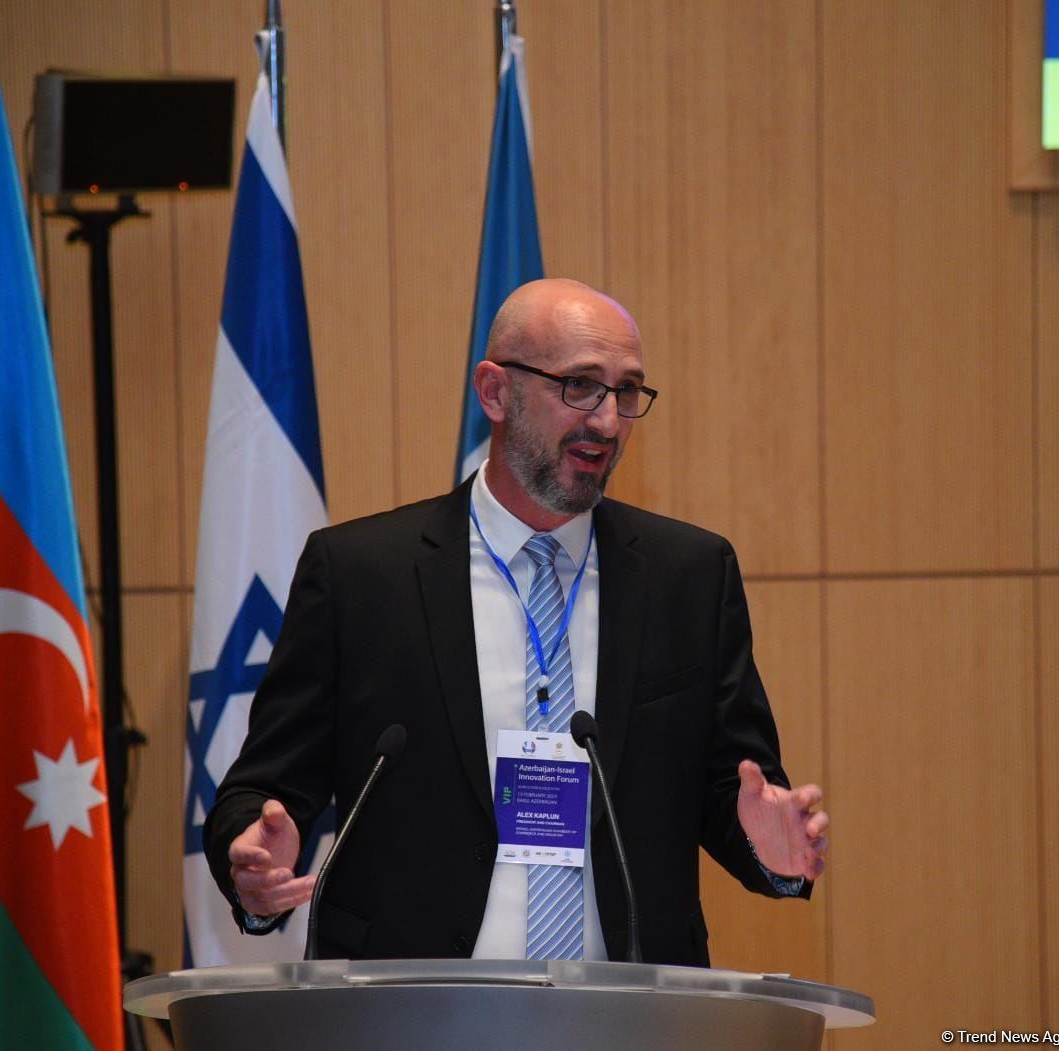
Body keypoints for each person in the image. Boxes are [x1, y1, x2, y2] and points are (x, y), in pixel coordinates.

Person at [203, 278, 828, 964]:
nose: (608, 422)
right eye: (580, 386)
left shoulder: (690, 576)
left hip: (631, 1007)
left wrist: (770, 849)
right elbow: (264, 787)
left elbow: (736, 787)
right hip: (410, 1001)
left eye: (626, 391)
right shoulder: (360, 575)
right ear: (495, 392)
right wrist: (251, 856)